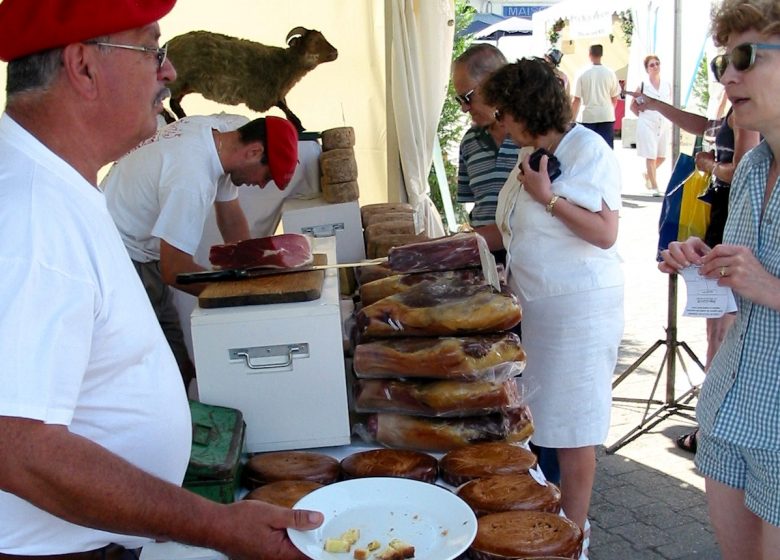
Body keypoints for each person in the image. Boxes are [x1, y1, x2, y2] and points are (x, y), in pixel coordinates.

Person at [0, 1, 322, 557]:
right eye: (152, 50)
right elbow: (18, 448)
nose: (169, 71)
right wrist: (217, 525)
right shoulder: (30, 215)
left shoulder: (54, 187)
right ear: (83, 67)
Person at [482, 58, 624, 536]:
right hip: (540, 310)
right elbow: (511, 230)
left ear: (526, 107)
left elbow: (605, 233)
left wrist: (548, 198)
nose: (499, 121)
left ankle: (574, 535)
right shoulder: (531, 153)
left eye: (503, 111)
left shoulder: (589, 148)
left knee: (574, 428)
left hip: (579, 311)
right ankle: (550, 521)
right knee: (544, 419)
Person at [658, 1, 780, 557]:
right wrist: (704, 259)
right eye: (722, 62)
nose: (729, 75)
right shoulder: (753, 166)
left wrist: (769, 287)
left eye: (747, 56)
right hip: (729, 403)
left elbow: (764, 283)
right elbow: (743, 276)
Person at [101, 113, 298, 389]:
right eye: (267, 176)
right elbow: (175, 270)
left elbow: (231, 218)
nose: (262, 185)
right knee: (158, 364)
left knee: (174, 354)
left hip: (136, 244)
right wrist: (237, 296)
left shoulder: (223, 137)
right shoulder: (191, 177)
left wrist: (254, 269)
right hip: (115, 254)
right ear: (254, 151)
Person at [636, 84, 760, 455]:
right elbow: (705, 124)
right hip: (723, 219)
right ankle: (711, 422)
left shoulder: (749, 117)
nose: (731, 75)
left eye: (741, 60)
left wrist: (711, 167)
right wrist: (657, 105)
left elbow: (739, 170)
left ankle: (711, 425)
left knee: (722, 329)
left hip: (728, 218)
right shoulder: (736, 110)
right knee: (720, 327)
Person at [452, 43, 520, 264]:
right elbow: (476, 206)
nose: (464, 108)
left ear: (494, 83)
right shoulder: (469, 142)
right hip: (485, 257)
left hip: (529, 262)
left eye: (467, 97)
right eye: (459, 100)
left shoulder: (535, 140)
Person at [630, 55, 673, 195]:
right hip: (647, 123)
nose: (655, 67)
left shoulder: (667, 85)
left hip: (663, 122)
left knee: (662, 156)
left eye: (657, 64)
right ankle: (654, 186)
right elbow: (633, 106)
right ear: (647, 69)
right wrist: (643, 117)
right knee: (651, 155)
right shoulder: (643, 85)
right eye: (652, 65)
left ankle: (648, 175)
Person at [571, 44, 621, 148]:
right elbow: (614, 97)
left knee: (587, 149)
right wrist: (610, 110)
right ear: (602, 54)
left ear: (589, 54)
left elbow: (576, 99)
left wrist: (572, 120)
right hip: (606, 115)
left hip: (587, 116)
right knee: (606, 149)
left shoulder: (582, 73)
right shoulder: (610, 73)